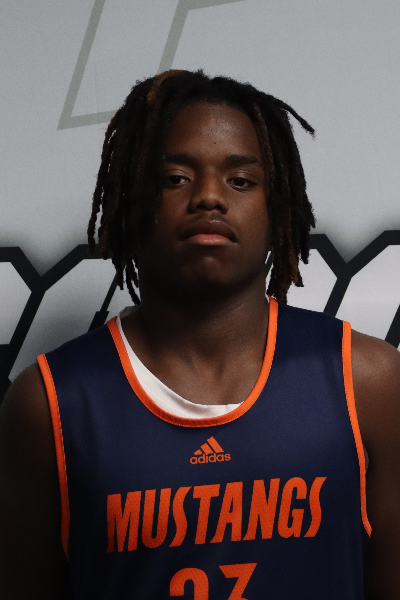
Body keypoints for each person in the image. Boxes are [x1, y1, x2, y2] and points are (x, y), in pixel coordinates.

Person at [1, 69, 400, 599]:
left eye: (241, 181)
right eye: (174, 178)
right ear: (129, 202)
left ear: (278, 207)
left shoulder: (366, 382)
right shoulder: (49, 403)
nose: (209, 197)